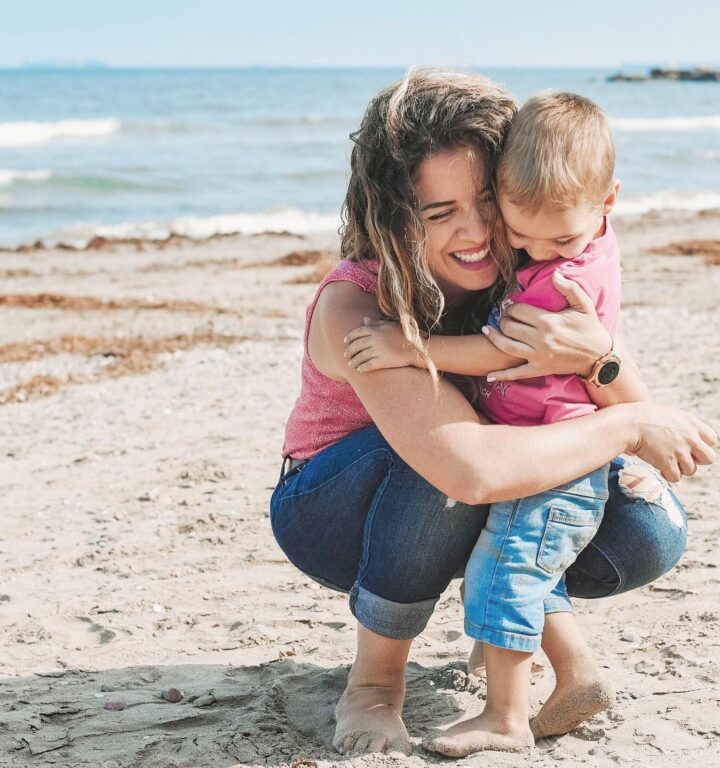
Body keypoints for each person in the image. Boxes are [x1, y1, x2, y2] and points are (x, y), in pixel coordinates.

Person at [269, 69, 716, 758]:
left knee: (646, 527)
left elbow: (650, 430)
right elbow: (470, 469)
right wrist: (624, 428)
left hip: (468, 484)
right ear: (393, 215)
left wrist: (599, 357)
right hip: (334, 512)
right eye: (439, 212)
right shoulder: (353, 307)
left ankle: (516, 626)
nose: (477, 231)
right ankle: (375, 684)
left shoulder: (534, 267)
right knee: (451, 460)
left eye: (486, 201)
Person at [344, 91, 629, 757]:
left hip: (545, 457)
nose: (512, 245)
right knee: (500, 555)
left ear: (608, 200)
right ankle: (573, 673)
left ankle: (506, 715)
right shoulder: (583, 245)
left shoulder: (553, 280)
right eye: (519, 230)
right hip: (527, 454)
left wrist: (410, 346)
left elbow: (504, 351)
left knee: (506, 573)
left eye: (490, 212)